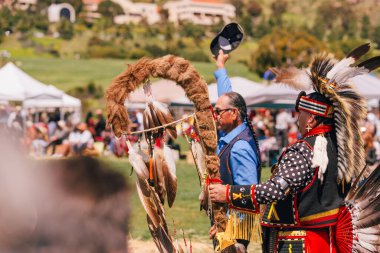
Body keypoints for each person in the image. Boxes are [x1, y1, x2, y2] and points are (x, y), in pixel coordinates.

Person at [209, 45, 380, 252]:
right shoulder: (339, 149)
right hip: (326, 242)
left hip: (299, 243)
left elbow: (274, 191)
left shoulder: (304, 151)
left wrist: (228, 193)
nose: (297, 119)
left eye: (301, 114)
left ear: (312, 119)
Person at [209, 50, 261, 251]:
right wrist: (221, 67)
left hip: (235, 234)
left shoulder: (239, 147)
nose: (216, 116)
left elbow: (248, 196)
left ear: (234, 114)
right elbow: (226, 96)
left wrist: (227, 229)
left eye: (219, 112)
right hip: (226, 226)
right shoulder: (231, 132)